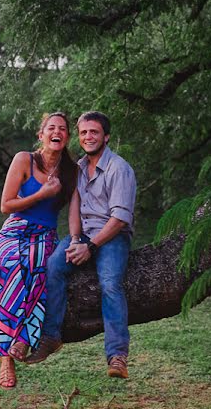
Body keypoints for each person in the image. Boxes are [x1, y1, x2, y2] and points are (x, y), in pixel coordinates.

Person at [26, 111, 137, 379]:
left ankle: (117, 355)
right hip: (84, 235)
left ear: (106, 137)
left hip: (112, 236)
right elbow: (74, 207)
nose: (88, 137)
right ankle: (51, 337)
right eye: (84, 132)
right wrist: (76, 241)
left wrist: (92, 247)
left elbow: (120, 218)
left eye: (94, 132)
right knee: (53, 266)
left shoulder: (119, 168)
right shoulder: (77, 168)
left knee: (110, 283)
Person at [0, 112, 77, 388]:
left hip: (46, 234)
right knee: (11, 263)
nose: (57, 132)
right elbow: (6, 205)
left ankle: (24, 340)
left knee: (41, 267)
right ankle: (6, 355)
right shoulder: (23, 159)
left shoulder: (71, 171)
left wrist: (76, 239)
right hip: (15, 228)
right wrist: (41, 194)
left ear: (67, 138)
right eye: (51, 127)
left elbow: (75, 210)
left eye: (62, 129)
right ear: (41, 135)